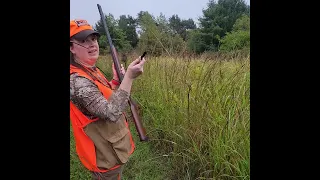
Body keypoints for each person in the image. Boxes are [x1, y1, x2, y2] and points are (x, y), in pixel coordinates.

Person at [69, 19, 146, 180]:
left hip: (112, 150)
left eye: (93, 39)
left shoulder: (90, 69)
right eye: (84, 40)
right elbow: (111, 112)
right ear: (71, 48)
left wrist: (117, 81)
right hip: (103, 156)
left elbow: (102, 96)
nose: (92, 44)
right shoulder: (77, 81)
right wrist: (129, 78)